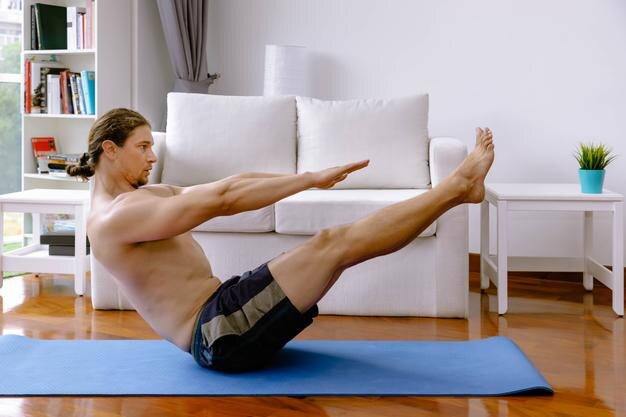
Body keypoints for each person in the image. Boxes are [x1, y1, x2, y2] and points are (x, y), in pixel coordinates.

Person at [71, 108, 494, 373]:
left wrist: (306, 178)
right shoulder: (113, 218)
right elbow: (223, 199)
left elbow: (230, 183)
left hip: (227, 305)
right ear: (110, 149)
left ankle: (457, 189)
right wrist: (308, 179)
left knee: (333, 250)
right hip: (218, 332)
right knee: (333, 244)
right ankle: (458, 189)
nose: (152, 156)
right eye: (142, 146)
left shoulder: (139, 199)